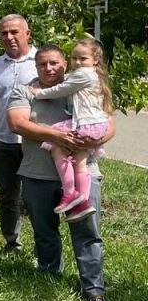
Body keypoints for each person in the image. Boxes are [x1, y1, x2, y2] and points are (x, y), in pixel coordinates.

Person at [7, 45, 111, 301]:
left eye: (54, 63)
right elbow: (17, 123)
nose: (49, 68)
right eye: (42, 64)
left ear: (65, 64)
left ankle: (94, 290)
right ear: (36, 66)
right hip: (37, 175)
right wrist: (57, 136)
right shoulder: (25, 91)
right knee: (44, 232)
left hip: (85, 175)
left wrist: (90, 139)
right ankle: (50, 279)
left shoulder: (82, 86)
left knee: (88, 233)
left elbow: (109, 125)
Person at [30, 38, 113, 220]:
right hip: (96, 125)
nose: (78, 63)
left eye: (82, 58)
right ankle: (83, 203)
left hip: (87, 124)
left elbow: (62, 89)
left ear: (95, 60)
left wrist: (39, 93)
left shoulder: (83, 74)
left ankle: (70, 193)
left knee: (57, 144)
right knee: (80, 162)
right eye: (75, 58)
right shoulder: (94, 75)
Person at [0, 14, 38, 254]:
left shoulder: (42, 62)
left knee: (36, 197)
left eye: (15, 32)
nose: (9, 37)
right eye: (4, 33)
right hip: (4, 141)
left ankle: (42, 246)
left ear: (28, 33)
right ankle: (12, 243)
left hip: (35, 142)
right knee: (7, 196)